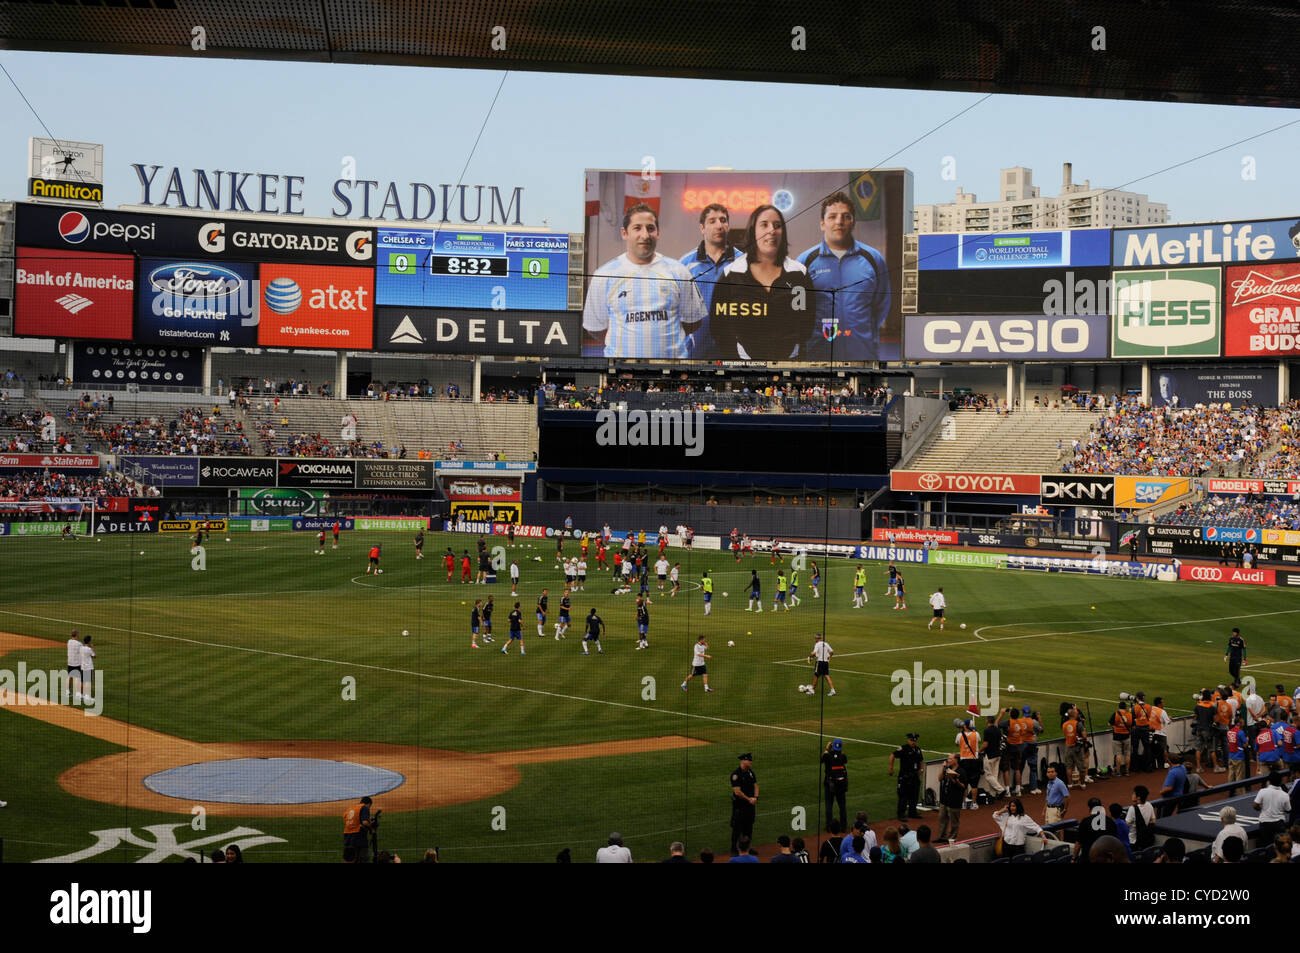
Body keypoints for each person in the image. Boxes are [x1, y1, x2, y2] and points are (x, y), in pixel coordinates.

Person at [583, 203, 706, 359]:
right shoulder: (604, 275)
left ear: (658, 232)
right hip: (622, 370)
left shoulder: (679, 272)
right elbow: (595, 328)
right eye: (637, 228)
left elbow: (693, 321)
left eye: (650, 228)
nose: (645, 235)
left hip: (671, 370)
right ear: (624, 233)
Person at [707, 205, 815, 359]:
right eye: (764, 224)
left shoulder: (799, 274)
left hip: (790, 364)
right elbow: (718, 328)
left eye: (777, 225)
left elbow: (807, 324)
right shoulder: (731, 275)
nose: (771, 230)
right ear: (753, 231)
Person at [798, 191, 892, 362]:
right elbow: (797, 310)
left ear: (853, 222)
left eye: (845, 216)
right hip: (818, 353)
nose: (839, 222)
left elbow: (882, 305)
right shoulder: (805, 261)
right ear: (822, 223)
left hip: (863, 353)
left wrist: (861, 330)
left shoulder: (873, 258)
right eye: (832, 216)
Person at [679, 203, 742, 359]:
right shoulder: (685, 264)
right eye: (712, 221)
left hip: (734, 351)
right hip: (695, 351)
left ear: (728, 226)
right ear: (702, 228)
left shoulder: (745, 262)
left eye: (723, 220)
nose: (719, 225)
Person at [889, 732, 924, 820]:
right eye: (912, 740)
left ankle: (912, 812)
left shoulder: (918, 750)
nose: (913, 742)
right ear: (908, 740)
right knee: (903, 797)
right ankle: (901, 814)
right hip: (905, 777)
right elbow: (892, 755)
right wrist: (891, 768)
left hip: (915, 777)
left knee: (914, 795)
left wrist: (921, 769)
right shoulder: (903, 748)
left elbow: (921, 760)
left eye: (915, 740)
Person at [1073, 797, 1118, 864]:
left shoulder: (1085, 822)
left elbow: (1078, 844)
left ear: (1089, 808)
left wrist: (1074, 858)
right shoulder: (1110, 822)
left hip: (1088, 859)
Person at [730, 753, 759, 855]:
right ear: (743, 761)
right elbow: (737, 792)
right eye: (749, 760)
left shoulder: (750, 772)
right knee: (737, 829)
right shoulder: (736, 775)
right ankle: (734, 849)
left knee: (748, 828)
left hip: (750, 806)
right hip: (740, 807)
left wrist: (755, 797)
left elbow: (756, 785)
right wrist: (749, 799)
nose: (751, 762)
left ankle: (747, 848)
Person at [1255, 771, 1291, 845]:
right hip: (1279, 824)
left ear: (1269, 781)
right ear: (1281, 782)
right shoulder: (1285, 795)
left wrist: (1261, 809)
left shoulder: (1262, 791)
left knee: (1266, 846)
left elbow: (1255, 805)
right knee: (1281, 845)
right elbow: (1288, 810)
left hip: (1265, 824)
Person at [821, 738, 848, 832]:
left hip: (830, 784)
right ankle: (843, 827)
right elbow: (844, 760)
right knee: (842, 806)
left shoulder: (827, 756)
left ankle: (829, 826)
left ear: (832, 746)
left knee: (829, 805)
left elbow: (821, 759)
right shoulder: (843, 756)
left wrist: (827, 748)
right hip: (841, 785)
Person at [936, 753, 964, 842]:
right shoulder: (947, 769)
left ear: (956, 760)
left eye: (950, 759)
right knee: (942, 819)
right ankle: (942, 837)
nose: (948, 760)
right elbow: (940, 779)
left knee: (954, 822)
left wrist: (955, 780)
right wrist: (943, 768)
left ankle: (952, 839)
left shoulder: (961, 771)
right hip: (944, 799)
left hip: (954, 800)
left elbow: (964, 786)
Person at [343, 796, 374, 864]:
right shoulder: (364, 807)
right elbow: (365, 822)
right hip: (358, 836)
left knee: (350, 858)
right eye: (370, 806)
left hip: (347, 836)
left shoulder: (350, 809)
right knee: (363, 858)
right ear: (368, 804)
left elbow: (348, 821)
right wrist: (371, 828)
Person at [1126, 785, 1156, 851]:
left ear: (1138, 797)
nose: (1132, 795)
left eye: (1134, 793)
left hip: (1133, 841)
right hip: (1144, 840)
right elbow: (1153, 821)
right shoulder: (1149, 805)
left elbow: (1126, 825)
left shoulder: (1132, 809)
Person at [1109, 701, 1133, 777]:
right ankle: (1127, 771)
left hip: (1117, 736)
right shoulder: (1129, 714)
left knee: (1118, 754)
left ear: (1119, 707)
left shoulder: (1115, 714)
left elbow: (1109, 723)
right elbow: (1132, 725)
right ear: (1125, 707)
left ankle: (1118, 772)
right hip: (1126, 736)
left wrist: (1116, 727)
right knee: (1127, 754)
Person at [808, 633, 836, 697]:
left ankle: (812, 690)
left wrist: (810, 656)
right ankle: (832, 690)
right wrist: (829, 657)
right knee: (827, 676)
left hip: (819, 662)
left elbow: (814, 653)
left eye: (815, 638)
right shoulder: (826, 644)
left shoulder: (817, 644)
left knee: (816, 675)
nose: (815, 639)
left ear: (817, 639)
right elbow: (832, 652)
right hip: (825, 662)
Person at [1226, 716, 1249, 781]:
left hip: (1231, 755)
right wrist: (1247, 740)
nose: (1243, 724)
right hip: (1238, 756)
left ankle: (1231, 789)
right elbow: (1245, 745)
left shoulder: (1229, 731)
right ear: (1239, 723)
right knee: (1239, 775)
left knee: (1231, 774)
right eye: (1242, 722)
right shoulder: (1240, 732)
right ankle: (1240, 790)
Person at [65, 628, 82, 703]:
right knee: (78, 678)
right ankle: (78, 694)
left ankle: (67, 692)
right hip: (77, 662)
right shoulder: (79, 644)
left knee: (70, 677)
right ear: (77, 635)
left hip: (70, 662)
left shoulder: (69, 641)